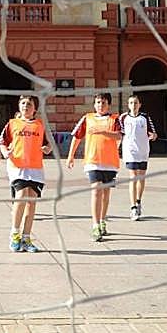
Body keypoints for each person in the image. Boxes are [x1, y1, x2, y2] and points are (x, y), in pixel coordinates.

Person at [66, 92, 123, 241]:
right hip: (92, 160)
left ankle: (103, 220)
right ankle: (95, 225)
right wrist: (70, 156)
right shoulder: (88, 118)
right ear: (94, 104)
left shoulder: (115, 119)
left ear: (108, 104)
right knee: (96, 190)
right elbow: (77, 136)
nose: (100, 105)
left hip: (110, 162)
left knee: (105, 194)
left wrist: (104, 132)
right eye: (98, 102)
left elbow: (119, 136)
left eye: (103, 103)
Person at [0, 95, 51, 252]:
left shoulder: (40, 125)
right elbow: (2, 141)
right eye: (23, 103)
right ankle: (14, 234)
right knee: (21, 197)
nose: (26, 106)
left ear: (35, 108)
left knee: (31, 202)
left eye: (29, 104)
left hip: (35, 167)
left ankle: (26, 238)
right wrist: (5, 152)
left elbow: (49, 144)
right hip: (18, 166)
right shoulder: (12, 123)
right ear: (19, 106)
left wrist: (47, 149)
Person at [120, 94, 158, 220]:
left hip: (143, 151)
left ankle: (138, 201)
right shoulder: (123, 118)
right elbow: (119, 134)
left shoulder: (145, 117)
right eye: (131, 103)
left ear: (139, 105)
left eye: (136, 103)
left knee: (141, 177)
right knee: (133, 177)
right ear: (128, 105)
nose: (133, 105)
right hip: (130, 151)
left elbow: (153, 132)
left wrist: (153, 136)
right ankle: (133, 208)